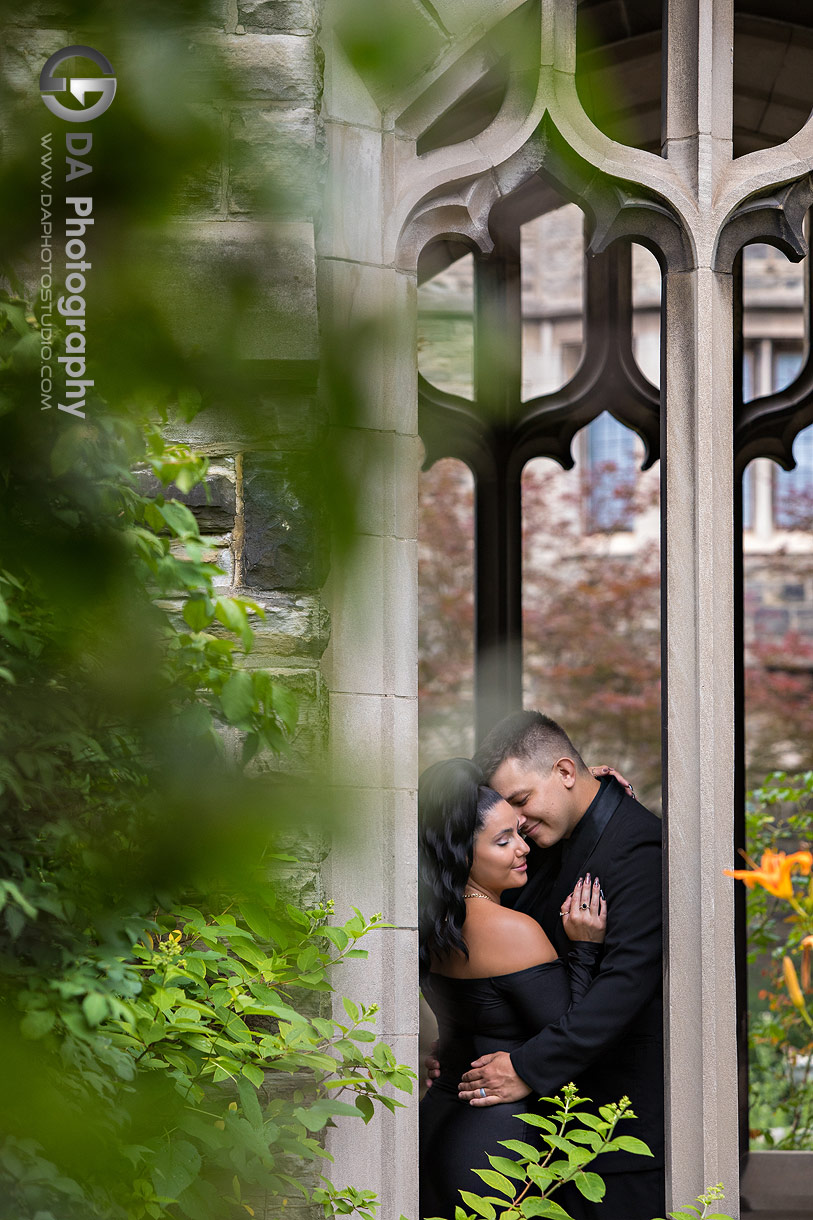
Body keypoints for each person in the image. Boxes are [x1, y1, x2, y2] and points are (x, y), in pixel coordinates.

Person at [454, 711, 664, 1220]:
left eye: (522, 802)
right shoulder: (547, 840)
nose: (518, 825)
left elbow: (626, 984)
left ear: (566, 772)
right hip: (548, 1133)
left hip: (617, 1130)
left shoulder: (638, 844)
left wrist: (527, 1067)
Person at [419, 756, 607, 1220]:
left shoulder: (433, 923)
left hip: (439, 1121)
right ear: (464, 854)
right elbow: (573, 1033)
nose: (523, 848)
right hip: (495, 1142)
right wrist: (584, 949)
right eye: (504, 841)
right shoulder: (511, 931)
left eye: (520, 832)